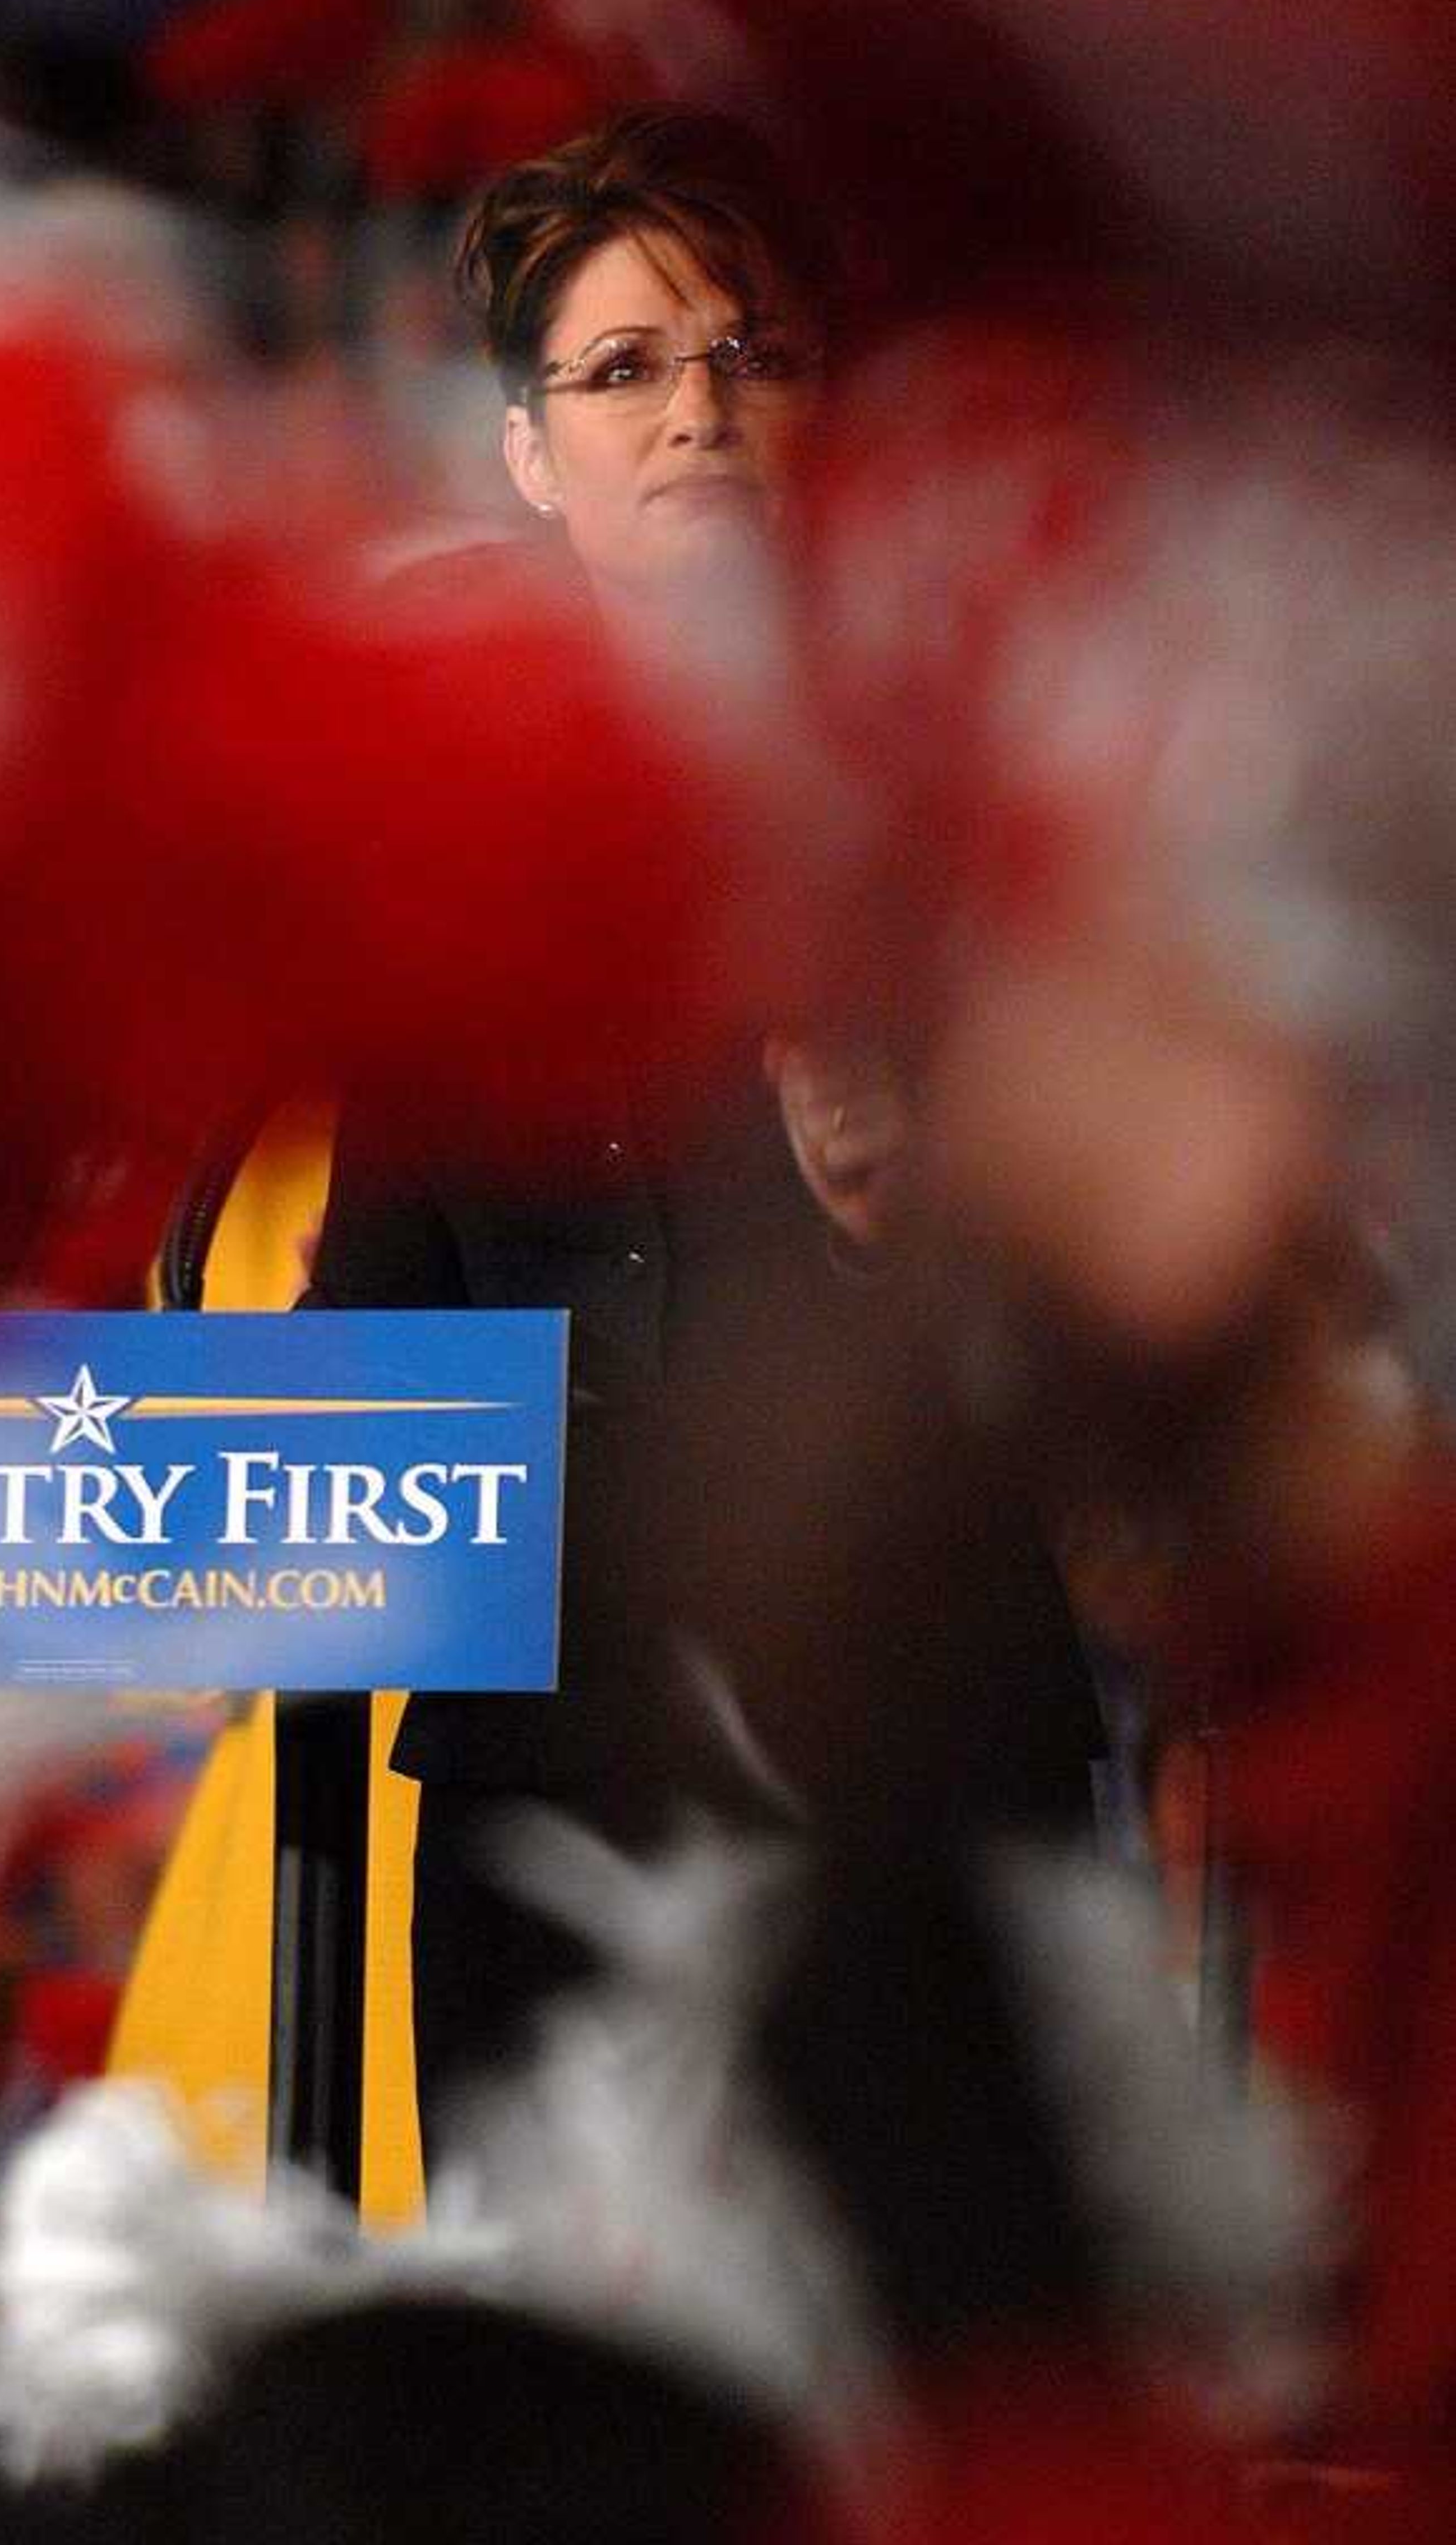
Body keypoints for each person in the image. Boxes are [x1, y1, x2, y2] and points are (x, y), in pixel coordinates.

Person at [303, 104, 1103, 2142]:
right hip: (544, 1787)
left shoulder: (1007, 803)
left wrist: (893, 1220)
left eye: (753, 357)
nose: (696, 417)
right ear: (524, 449)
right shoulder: (422, 847)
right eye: (625, 370)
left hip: (925, 1746)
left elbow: (1162, 1328)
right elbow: (356, 1383)